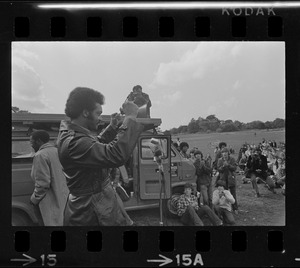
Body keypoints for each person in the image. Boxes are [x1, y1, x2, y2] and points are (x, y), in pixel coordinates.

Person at [57, 87, 144, 226]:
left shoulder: (74, 135)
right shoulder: (75, 142)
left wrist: (112, 127)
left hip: (94, 206)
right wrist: (130, 118)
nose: (100, 118)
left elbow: (94, 147)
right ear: (85, 112)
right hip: (92, 212)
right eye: (98, 113)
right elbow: (115, 155)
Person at [30, 130, 69, 226]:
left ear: (38, 141)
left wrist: (34, 199)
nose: (31, 145)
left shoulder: (40, 155)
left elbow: (43, 184)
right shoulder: (57, 151)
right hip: (63, 197)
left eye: (32, 142)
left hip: (48, 200)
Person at [216, 148, 238, 214]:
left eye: (226, 152)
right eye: (223, 153)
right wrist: (223, 166)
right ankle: (226, 208)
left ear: (228, 153)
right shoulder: (220, 160)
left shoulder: (232, 159)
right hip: (223, 179)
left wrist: (228, 165)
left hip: (231, 178)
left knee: (233, 194)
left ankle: (235, 208)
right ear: (222, 154)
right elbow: (219, 169)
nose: (224, 154)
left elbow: (234, 168)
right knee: (224, 194)